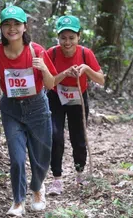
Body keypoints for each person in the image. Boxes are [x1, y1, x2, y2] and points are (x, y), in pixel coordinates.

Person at [0, 5, 57, 217]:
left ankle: (38, 188)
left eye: (16, 24)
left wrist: (44, 68)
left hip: (37, 107)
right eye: (7, 24)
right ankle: (18, 200)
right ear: (1, 28)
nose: (11, 28)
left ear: (25, 27)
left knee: (41, 154)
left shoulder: (37, 51)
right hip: (11, 108)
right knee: (17, 157)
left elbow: (50, 84)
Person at [45, 15, 104, 196]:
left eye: (71, 38)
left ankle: (80, 174)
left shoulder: (86, 54)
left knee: (78, 137)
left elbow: (101, 79)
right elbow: (48, 83)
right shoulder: (52, 53)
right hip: (56, 96)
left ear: (78, 37)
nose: (67, 42)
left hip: (78, 97)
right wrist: (64, 73)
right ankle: (56, 179)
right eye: (63, 38)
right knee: (55, 136)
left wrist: (86, 69)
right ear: (58, 38)